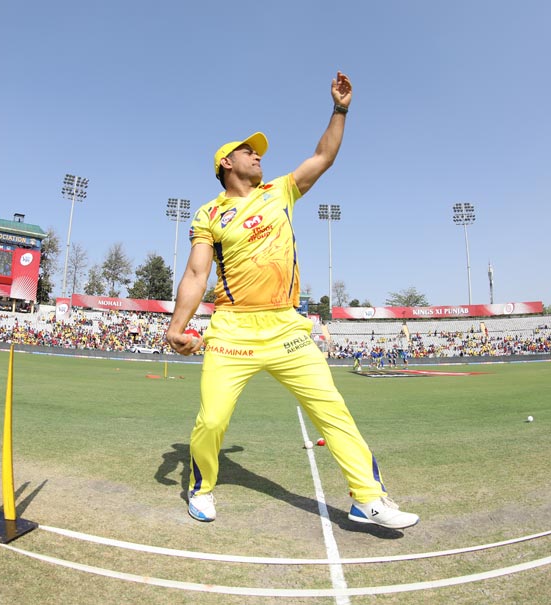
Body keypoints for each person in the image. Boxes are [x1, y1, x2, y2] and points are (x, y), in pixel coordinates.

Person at [165, 71, 419, 531]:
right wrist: (175, 326)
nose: (257, 153)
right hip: (233, 330)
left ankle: (368, 499)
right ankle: (201, 489)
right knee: (212, 420)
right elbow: (197, 273)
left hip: (286, 327)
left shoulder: (280, 191)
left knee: (332, 410)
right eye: (247, 150)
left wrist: (340, 108)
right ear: (225, 163)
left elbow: (323, 156)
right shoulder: (210, 212)